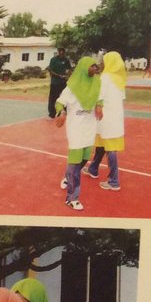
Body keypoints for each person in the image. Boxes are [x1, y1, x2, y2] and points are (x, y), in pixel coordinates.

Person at [54, 57, 103, 211]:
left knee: (85, 158)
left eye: (96, 66)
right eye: (92, 66)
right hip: (76, 128)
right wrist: (61, 111)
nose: (95, 69)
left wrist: (99, 106)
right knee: (75, 164)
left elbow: (100, 97)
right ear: (83, 68)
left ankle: (68, 177)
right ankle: (72, 198)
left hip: (89, 127)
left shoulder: (97, 82)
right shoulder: (72, 87)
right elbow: (59, 102)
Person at [84, 50, 126, 192]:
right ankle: (93, 168)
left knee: (110, 148)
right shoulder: (120, 78)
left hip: (106, 115)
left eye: (104, 60)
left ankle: (114, 181)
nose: (102, 63)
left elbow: (99, 96)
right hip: (115, 116)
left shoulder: (106, 77)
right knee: (103, 142)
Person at [47, 48, 72, 119]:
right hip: (55, 82)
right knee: (53, 98)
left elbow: (69, 69)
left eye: (63, 53)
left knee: (65, 96)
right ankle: (52, 113)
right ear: (58, 52)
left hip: (63, 82)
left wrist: (68, 75)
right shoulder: (53, 60)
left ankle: (65, 111)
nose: (61, 54)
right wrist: (58, 75)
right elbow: (51, 70)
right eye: (60, 52)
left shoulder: (66, 60)